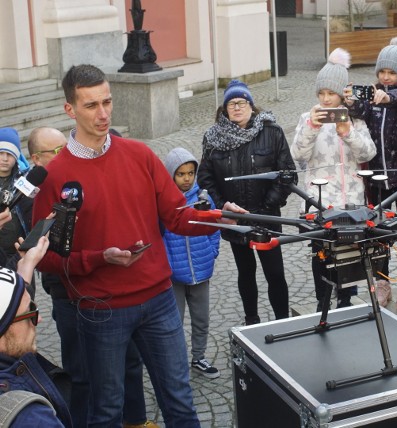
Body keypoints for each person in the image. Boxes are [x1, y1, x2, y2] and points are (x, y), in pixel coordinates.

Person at [31, 64, 241, 427]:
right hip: (100, 310)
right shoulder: (55, 176)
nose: (103, 113)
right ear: (70, 109)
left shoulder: (140, 155)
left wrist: (220, 216)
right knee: (107, 411)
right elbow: (43, 257)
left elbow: (176, 216)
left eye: (107, 102)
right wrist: (98, 259)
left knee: (180, 402)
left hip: (159, 300)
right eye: (91, 105)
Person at [27, 126, 158, 428]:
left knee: (129, 361)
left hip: (108, 289)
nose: (68, 154)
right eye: (58, 151)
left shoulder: (79, 180)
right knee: (81, 373)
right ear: (36, 160)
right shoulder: (31, 199)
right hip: (66, 296)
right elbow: (40, 256)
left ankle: (135, 420)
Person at [198, 79, 295, 325]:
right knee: (246, 272)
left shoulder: (271, 132)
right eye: (231, 104)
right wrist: (224, 207)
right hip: (235, 220)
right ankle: (251, 319)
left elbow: (286, 174)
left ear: (251, 105)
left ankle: (282, 320)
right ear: (225, 109)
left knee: (275, 273)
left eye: (241, 102)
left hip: (266, 217)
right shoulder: (214, 137)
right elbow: (205, 178)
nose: (237, 108)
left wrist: (265, 208)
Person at [291, 48, 376, 310]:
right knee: (322, 252)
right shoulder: (308, 118)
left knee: (351, 251)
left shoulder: (355, 119)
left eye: (331, 94)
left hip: (351, 200)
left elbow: (369, 153)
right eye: (322, 93)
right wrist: (312, 128)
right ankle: (323, 299)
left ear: (342, 94)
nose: (326, 99)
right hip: (320, 201)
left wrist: (347, 132)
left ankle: (347, 299)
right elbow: (297, 154)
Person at [345, 37, 397, 306]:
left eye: (392, 72)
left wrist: (387, 97)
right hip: (374, 177)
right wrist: (352, 101)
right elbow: (361, 109)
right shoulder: (372, 93)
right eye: (382, 72)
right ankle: (382, 281)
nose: (386, 78)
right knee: (377, 232)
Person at [0, 233, 72, 427]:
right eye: (29, 312)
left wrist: (26, 265)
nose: (38, 318)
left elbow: (9, 304)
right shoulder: (30, 418)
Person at [163, 147, 221, 378]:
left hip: (201, 270)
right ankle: (175, 364)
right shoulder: (164, 201)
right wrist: (166, 264)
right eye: (180, 174)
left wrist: (212, 251)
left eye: (190, 173)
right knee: (174, 323)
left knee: (201, 318)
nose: (187, 178)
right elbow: (159, 235)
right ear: (170, 174)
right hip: (173, 275)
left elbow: (214, 226)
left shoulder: (203, 198)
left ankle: (199, 357)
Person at [0, 127, 33, 262]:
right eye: (1, 153)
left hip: (21, 250)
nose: (5, 159)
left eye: (10, 154)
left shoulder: (26, 179)